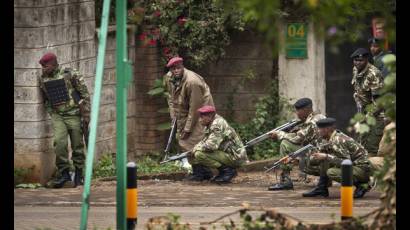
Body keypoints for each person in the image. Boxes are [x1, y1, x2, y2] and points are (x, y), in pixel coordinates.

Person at [38, 52, 90, 188]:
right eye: (42, 67)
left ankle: (79, 173)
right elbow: (45, 98)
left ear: (54, 63)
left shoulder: (70, 74)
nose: (44, 69)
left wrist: (86, 115)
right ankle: (64, 173)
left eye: (46, 66)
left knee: (77, 145)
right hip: (58, 115)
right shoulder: (43, 78)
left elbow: (84, 93)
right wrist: (51, 111)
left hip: (74, 114)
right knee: (59, 144)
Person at [164, 56, 214, 171]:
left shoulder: (192, 82)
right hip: (184, 107)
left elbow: (195, 107)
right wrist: (173, 117)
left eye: (178, 68)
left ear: (182, 67)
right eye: (173, 69)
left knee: (195, 138)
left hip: (202, 110)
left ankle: (202, 171)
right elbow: (171, 98)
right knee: (183, 139)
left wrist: (187, 129)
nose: (175, 71)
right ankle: (197, 170)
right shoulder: (169, 78)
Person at [302, 118, 371, 198]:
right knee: (321, 160)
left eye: (320, 129)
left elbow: (346, 162)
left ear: (327, 129)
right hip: (354, 166)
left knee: (331, 172)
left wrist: (326, 156)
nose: (318, 131)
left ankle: (362, 185)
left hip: (362, 168)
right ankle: (321, 188)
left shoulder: (338, 140)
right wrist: (304, 159)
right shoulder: (328, 139)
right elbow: (315, 160)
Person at [268, 98, 326, 190]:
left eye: (298, 111)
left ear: (305, 110)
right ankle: (325, 180)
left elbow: (298, 139)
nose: (297, 113)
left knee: (285, 144)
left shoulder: (311, 122)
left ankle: (285, 181)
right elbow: (306, 136)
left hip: (318, 158)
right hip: (324, 154)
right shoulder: (320, 117)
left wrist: (279, 134)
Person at [189, 105, 248, 183]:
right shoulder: (211, 123)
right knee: (192, 153)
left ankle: (227, 171)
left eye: (202, 117)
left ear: (209, 116)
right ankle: (203, 174)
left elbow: (211, 146)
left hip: (235, 156)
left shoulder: (216, 125)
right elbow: (204, 141)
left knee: (199, 154)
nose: (200, 120)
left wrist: (196, 149)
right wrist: (194, 149)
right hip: (227, 153)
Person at [350, 48, 385, 155]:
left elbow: (379, 103)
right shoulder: (355, 70)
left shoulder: (374, 74)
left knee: (371, 149)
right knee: (360, 146)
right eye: (355, 60)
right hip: (364, 112)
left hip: (377, 115)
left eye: (360, 60)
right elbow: (358, 90)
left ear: (366, 60)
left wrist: (367, 117)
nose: (357, 63)